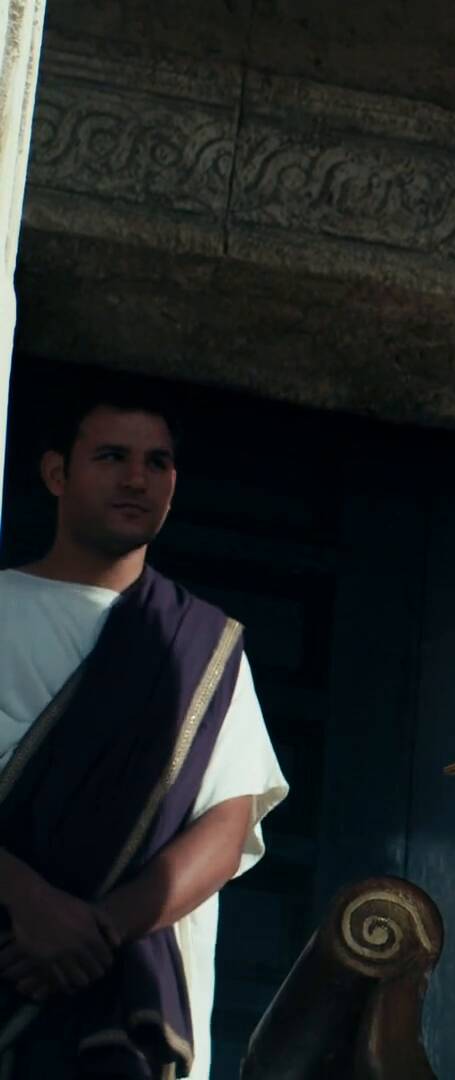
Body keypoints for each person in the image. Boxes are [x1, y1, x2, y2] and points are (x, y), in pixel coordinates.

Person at [0, 388, 289, 1079]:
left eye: (156, 463)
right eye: (111, 457)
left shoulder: (203, 646)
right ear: (56, 474)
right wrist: (27, 901)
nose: (137, 479)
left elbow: (228, 823)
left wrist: (98, 931)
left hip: (130, 1009)